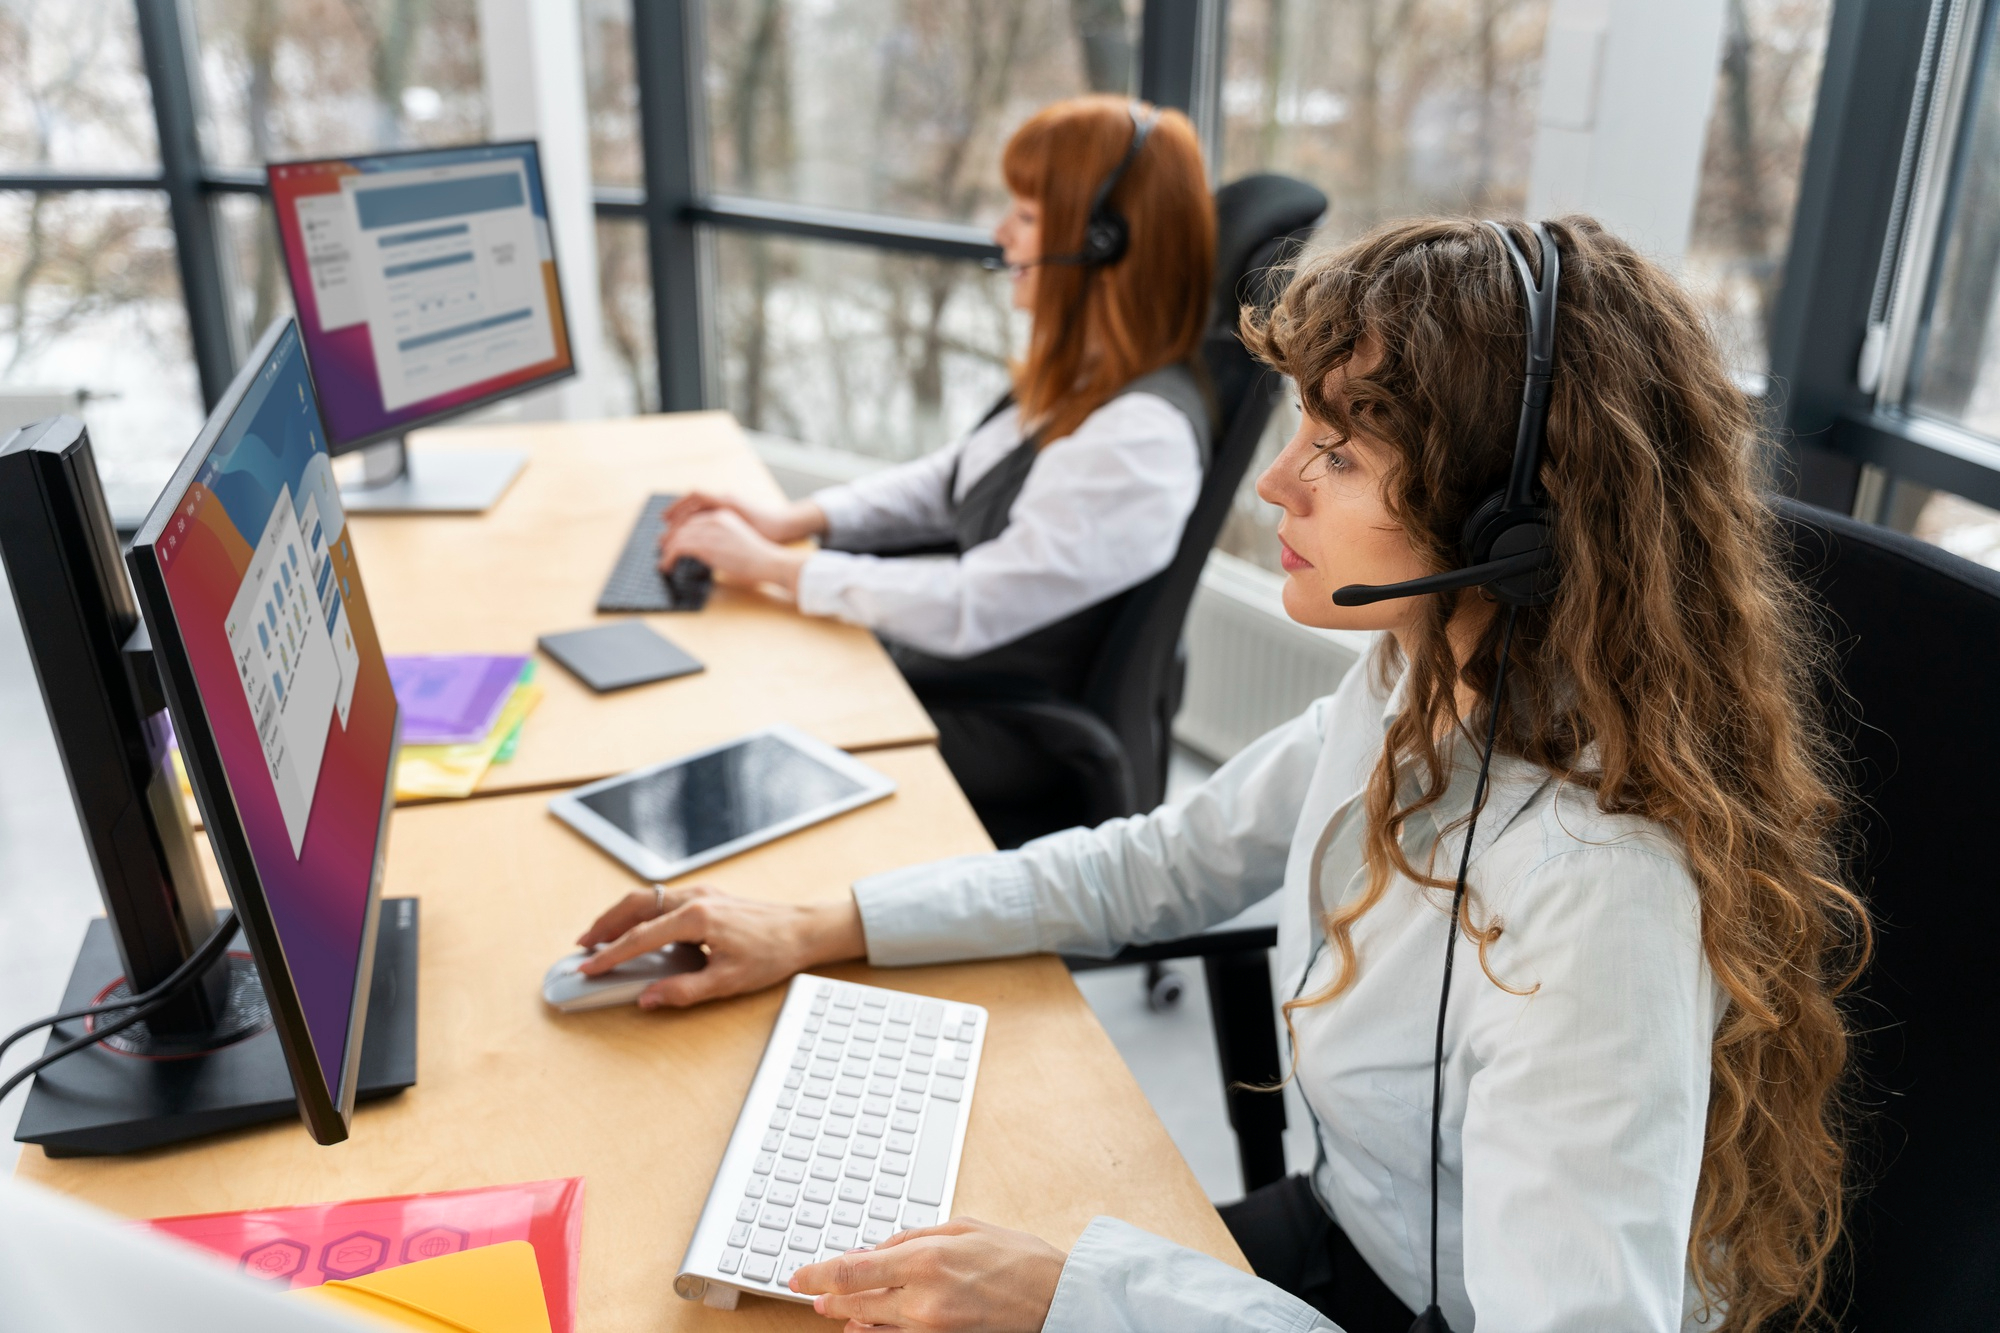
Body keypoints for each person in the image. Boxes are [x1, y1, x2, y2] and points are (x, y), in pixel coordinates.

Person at [579, 217, 1870, 1332]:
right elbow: (1162, 860)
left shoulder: (1597, 893)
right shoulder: (1417, 685)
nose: (1273, 486)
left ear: (1507, 529)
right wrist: (821, 924)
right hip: (1349, 1244)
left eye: (1340, 455)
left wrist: (1077, 1293)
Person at [656, 95, 1216, 812]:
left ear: (1101, 242)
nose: (1001, 235)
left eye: (1026, 217)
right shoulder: (1087, 377)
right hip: (958, 676)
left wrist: (776, 568)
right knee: (738, 672)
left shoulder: (1138, 439)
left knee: (731, 720)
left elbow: (973, 602)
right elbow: (950, 481)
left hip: (1001, 726)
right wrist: (791, 520)